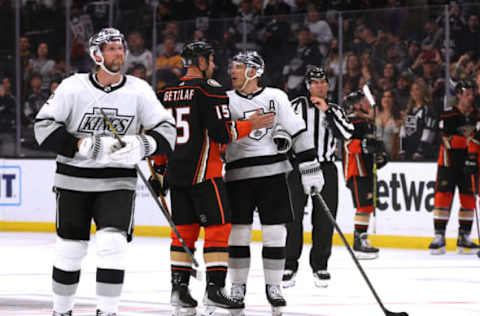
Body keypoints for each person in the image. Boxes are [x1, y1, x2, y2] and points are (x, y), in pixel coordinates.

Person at [34, 28, 177, 316]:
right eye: (111, 48)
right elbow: (42, 128)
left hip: (117, 181)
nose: (119, 53)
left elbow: (168, 130)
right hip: (73, 180)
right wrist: (80, 144)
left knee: (113, 245)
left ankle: (107, 311)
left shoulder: (139, 90)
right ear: (96, 54)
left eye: (121, 48)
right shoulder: (73, 86)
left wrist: (144, 143)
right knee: (70, 250)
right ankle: (61, 311)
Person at [153, 41, 275, 316]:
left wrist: (159, 170)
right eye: (211, 59)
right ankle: (215, 290)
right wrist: (251, 124)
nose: (215, 65)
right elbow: (222, 133)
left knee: (183, 231)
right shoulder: (210, 90)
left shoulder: (165, 92)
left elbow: (160, 138)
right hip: (205, 174)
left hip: (176, 175)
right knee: (219, 227)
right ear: (200, 62)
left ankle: (179, 290)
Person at [224, 52, 324, 314]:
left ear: (253, 71)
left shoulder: (276, 96)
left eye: (238, 67)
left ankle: (274, 286)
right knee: (239, 234)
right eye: (232, 66)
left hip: (273, 175)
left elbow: (297, 129)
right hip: (237, 177)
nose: (232, 71)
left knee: (274, 233)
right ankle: (237, 287)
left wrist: (310, 166)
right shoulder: (226, 99)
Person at [282, 66, 354, 288]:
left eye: (323, 82)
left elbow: (347, 134)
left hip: (326, 168)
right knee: (293, 218)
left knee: (324, 218)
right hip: (298, 167)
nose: (320, 86)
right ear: (308, 85)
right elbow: (283, 132)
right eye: (315, 82)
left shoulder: (335, 109)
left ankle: (320, 265)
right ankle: (289, 264)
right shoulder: (295, 107)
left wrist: (328, 112)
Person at [429, 80, 480, 255]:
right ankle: (439, 236)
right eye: (467, 94)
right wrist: (469, 140)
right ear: (458, 95)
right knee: (443, 198)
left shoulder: (477, 115)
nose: (471, 97)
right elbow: (446, 141)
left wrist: (468, 143)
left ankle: (464, 236)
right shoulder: (448, 114)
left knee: (468, 200)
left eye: (473, 94)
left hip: (470, 163)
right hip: (448, 163)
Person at [343, 90, 388, 259]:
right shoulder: (351, 121)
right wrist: (364, 145)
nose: (369, 102)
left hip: (367, 169)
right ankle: (359, 241)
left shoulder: (368, 122)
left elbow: (370, 146)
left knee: (367, 206)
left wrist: (379, 155)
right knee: (363, 205)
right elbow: (348, 145)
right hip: (357, 170)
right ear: (356, 104)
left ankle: (362, 239)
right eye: (365, 100)